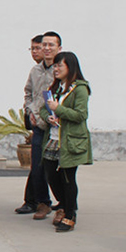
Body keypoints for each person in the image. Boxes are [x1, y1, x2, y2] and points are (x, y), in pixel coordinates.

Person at [39, 51, 92, 233]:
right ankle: (64, 203)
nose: (56, 69)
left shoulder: (80, 89)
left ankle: (70, 215)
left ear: (71, 67)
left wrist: (59, 109)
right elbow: (44, 109)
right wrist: (48, 116)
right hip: (53, 139)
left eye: (59, 65)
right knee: (50, 174)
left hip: (70, 141)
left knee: (68, 178)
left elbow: (81, 115)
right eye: (54, 66)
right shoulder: (56, 87)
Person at [17, 32, 62, 219]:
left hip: (57, 126)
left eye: (51, 45)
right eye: (44, 45)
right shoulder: (35, 71)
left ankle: (65, 204)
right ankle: (43, 202)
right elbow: (28, 93)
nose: (46, 48)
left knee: (57, 168)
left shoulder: (61, 69)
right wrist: (30, 111)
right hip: (39, 125)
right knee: (37, 166)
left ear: (59, 48)